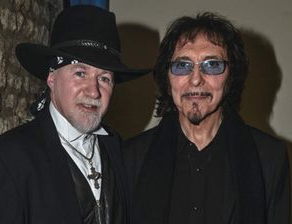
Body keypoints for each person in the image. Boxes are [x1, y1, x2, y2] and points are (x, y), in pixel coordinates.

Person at [0, 5, 149, 224]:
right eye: (80, 73)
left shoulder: (116, 149)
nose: (93, 91)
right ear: (52, 78)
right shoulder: (5, 160)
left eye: (104, 78)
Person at [124, 12, 290, 224]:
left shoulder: (270, 158)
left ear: (231, 77)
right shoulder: (129, 158)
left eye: (212, 65)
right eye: (182, 65)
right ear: (167, 77)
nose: (195, 80)